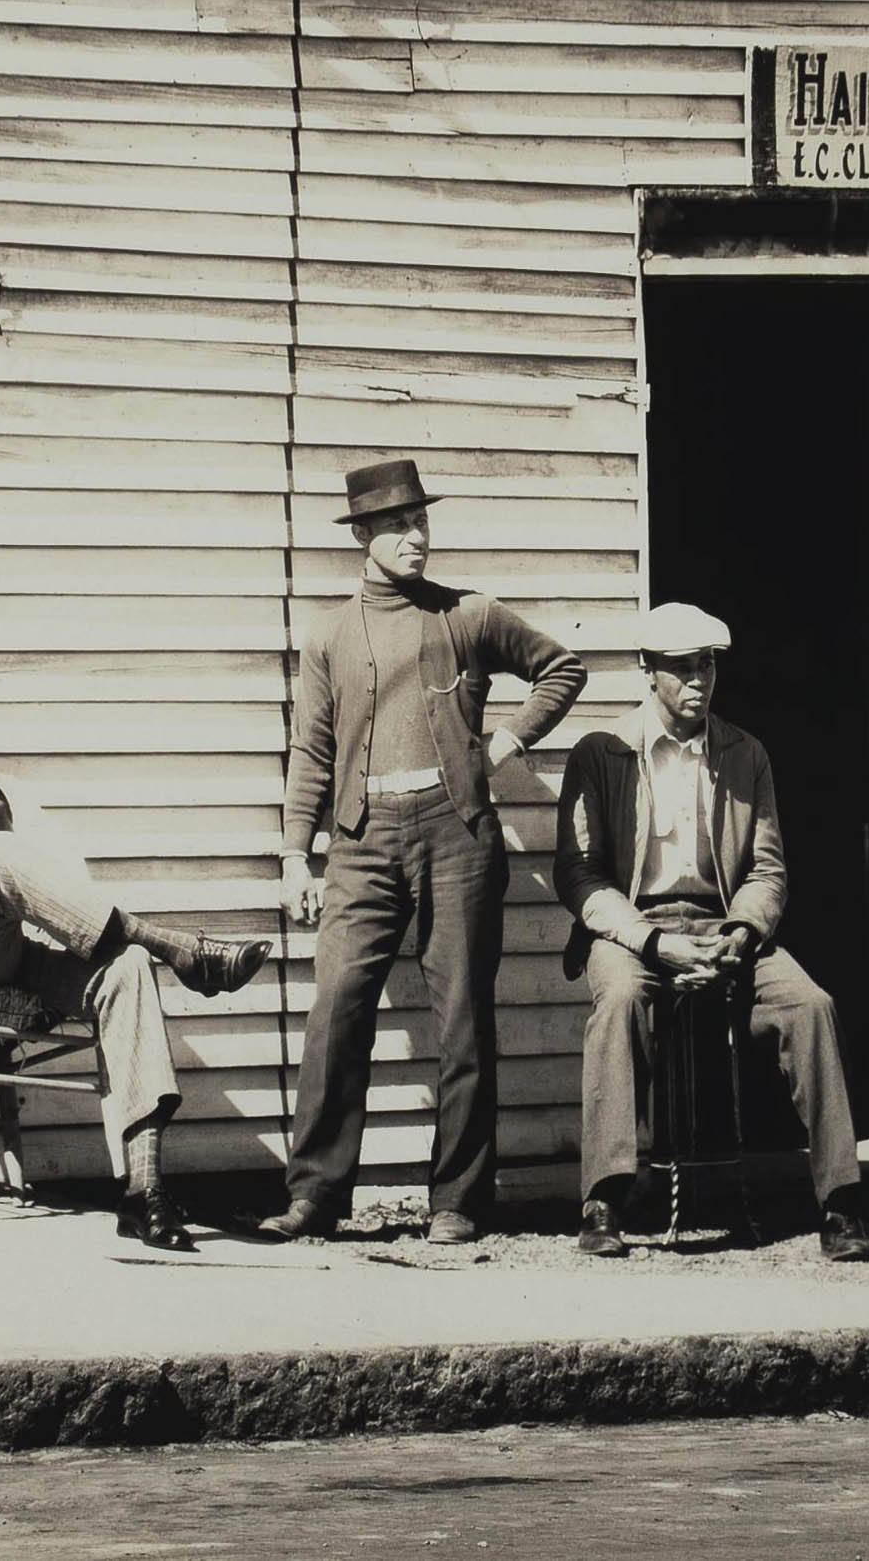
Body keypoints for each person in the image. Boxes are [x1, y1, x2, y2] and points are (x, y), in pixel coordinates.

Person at [0, 634, 272, 1251]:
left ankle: (143, 1192)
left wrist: (31, 904)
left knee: (127, 966)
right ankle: (185, 950)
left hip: (12, 954)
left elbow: (68, 876)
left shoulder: (4, 791)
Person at [260, 459, 587, 1245]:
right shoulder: (331, 635)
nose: (415, 537)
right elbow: (310, 748)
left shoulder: (466, 615)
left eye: (421, 522)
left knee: (464, 1020)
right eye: (398, 525)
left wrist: (505, 740)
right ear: (364, 536)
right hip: (362, 839)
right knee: (337, 1009)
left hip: (457, 835)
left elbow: (560, 668)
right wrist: (295, 856)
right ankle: (315, 1195)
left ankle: (459, 1202)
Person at [555, 603, 869, 1262]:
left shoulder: (744, 753)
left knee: (811, 1004)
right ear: (646, 672)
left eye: (706, 664)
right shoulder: (603, 754)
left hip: (725, 929)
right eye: (681, 667)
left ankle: (841, 1204)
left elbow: (767, 867)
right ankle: (605, 1201)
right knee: (619, 1001)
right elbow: (580, 875)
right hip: (634, 933)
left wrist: (742, 931)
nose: (698, 679)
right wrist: (652, 942)